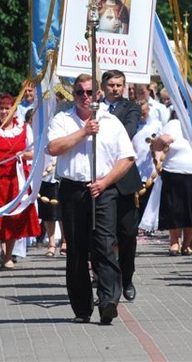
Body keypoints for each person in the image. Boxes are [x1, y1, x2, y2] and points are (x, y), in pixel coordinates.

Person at [47, 73, 136, 325]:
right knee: (76, 249)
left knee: (105, 244)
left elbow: (127, 158)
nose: (85, 97)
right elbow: (53, 148)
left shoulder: (111, 122)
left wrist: (106, 182)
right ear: (73, 95)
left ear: (98, 94)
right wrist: (83, 132)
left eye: (89, 92)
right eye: (79, 92)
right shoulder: (63, 120)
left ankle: (108, 301)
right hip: (73, 189)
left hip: (103, 189)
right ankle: (82, 308)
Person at [0, 93, 40, 270]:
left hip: (16, 180)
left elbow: (35, 152)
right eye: (2, 108)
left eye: (8, 109)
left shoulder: (24, 128)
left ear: (14, 110)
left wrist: (21, 155)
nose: (4, 112)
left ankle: (7, 256)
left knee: (13, 218)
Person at [101, 69, 143, 302]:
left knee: (127, 234)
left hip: (124, 179)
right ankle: (103, 279)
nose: (115, 89)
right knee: (101, 235)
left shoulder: (131, 108)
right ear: (103, 86)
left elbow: (128, 132)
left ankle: (127, 278)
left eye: (119, 85)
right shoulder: (94, 108)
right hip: (99, 176)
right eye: (111, 85)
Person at [151, 110, 192, 257]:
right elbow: (156, 145)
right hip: (173, 171)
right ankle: (174, 241)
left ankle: (187, 243)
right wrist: (161, 140)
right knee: (174, 209)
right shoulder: (173, 124)